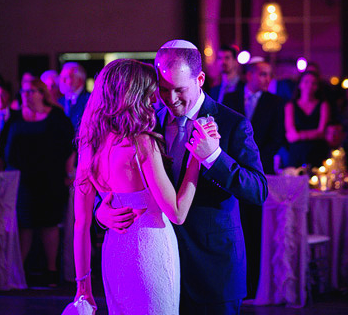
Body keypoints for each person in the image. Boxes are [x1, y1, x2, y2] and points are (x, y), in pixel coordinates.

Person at [96, 39, 267, 315]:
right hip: (157, 266)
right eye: (163, 90)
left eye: (179, 89)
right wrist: (101, 212)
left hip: (213, 268)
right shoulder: (148, 121)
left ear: (200, 79)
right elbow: (115, 177)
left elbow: (258, 191)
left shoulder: (234, 123)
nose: (171, 99)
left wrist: (214, 157)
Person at [73, 58, 212, 312]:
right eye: (151, 92)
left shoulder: (89, 145)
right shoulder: (141, 143)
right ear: (135, 95)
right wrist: (196, 158)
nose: (156, 100)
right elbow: (178, 212)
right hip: (150, 251)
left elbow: (81, 223)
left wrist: (83, 287)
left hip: (114, 251)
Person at [0, 77, 75, 287]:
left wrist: (69, 173)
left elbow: (70, 146)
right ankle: (19, 273)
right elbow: (3, 148)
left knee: (48, 225)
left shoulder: (56, 117)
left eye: (31, 91)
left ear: (42, 94)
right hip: (21, 182)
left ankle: (51, 271)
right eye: (23, 92)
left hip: (50, 179)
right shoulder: (15, 118)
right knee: (25, 226)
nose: (27, 95)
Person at [223, 56, 285, 297]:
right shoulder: (230, 98)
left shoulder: (275, 102)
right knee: (234, 226)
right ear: (249, 75)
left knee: (256, 228)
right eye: (262, 74)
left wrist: (251, 160)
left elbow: (277, 138)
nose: (267, 79)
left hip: (258, 172)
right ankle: (235, 281)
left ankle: (254, 284)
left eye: (269, 74)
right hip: (230, 170)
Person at [284, 69, 330, 169]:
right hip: (297, 153)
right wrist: (312, 134)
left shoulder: (323, 105)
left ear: (317, 87)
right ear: (300, 85)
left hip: (317, 151)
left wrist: (300, 135)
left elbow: (321, 132)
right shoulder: (290, 106)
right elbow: (291, 135)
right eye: (306, 82)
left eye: (313, 83)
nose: (309, 85)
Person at [60, 62, 91, 128]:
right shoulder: (59, 101)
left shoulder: (90, 100)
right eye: (61, 77)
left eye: (67, 77)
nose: (62, 81)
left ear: (80, 79)